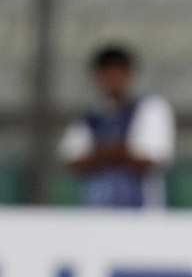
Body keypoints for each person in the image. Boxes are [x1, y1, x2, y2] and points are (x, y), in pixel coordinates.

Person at [58, 43, 175, 208]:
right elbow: (73, 162)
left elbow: (149, 160)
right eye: (106, 74)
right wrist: (120, 153)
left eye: (117, 73)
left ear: (129, 74)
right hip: (95, 213)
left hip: (140, 214)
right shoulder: (88, 117)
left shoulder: (149, 108)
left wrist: (100, 155)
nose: (112, 80)